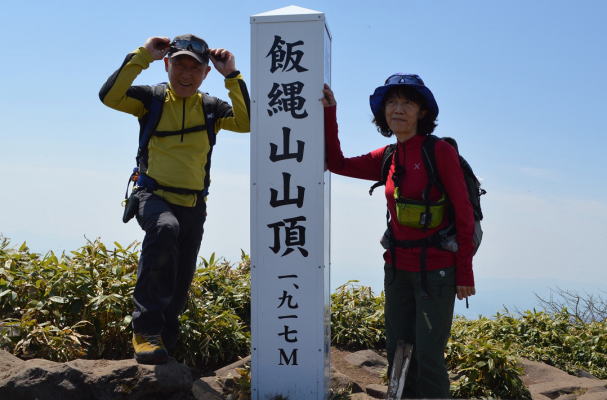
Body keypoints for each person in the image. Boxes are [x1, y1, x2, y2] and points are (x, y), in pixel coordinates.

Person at [322, 74, 475, 398]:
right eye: (392, 102)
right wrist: (329, 111)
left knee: (429, 356)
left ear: (422, 112)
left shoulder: (439, 152)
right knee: (398, 350)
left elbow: (463, 213)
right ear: (383, 112)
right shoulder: (388, 157)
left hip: (438, 272)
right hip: (397, 269)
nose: (398, 109)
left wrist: (465, 271)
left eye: (408, 102)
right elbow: (336, 163)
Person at [99, 34, 250, 364]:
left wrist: (232, 76)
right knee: (164, 229)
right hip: (151, 195)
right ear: (167, 65)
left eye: (194, 68)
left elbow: (248, 122)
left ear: (205, 73)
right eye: (179, 64)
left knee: (181, 278)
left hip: (194, 205)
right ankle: (145, 332)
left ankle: (164, 342)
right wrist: (143, 55)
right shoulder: (150, 100)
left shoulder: (211, 108)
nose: (186, 74)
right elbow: (109, 97)